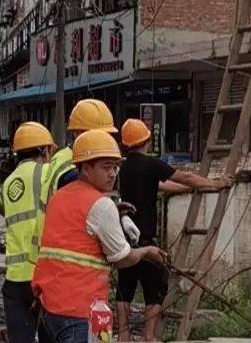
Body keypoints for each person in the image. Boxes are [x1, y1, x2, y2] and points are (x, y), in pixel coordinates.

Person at [33, 130, 167, 343]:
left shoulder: (59, 197)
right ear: (85, 168)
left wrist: (113, 211)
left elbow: (75, 235)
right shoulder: (101, 205)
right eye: (106, 168)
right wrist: (147, 252)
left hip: (50, 307)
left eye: (114, 167)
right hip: (82, 310)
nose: (113, 174)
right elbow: (122, 258)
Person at [114, 118, 233, 341]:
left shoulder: (124, 169)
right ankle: (150, 337)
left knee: (125, 288)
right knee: (155, 287)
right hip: (147, 243)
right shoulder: (152, 165)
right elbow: (185, 176)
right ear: (146, 141)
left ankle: (123, 335)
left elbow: (162, 185)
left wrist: (185, 189)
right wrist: (216, 183)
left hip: (126, 244)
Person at [0, 122, 57, 343]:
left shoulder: (7, 183)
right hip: (42, 274)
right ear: (43, 149)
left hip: (14, 278)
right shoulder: (47, 173)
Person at [42, 99, 118, 202]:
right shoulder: (74, 171)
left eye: (106, 135)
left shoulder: (61, 156)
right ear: (77, 133)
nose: (103, 140)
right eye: (96, 135)